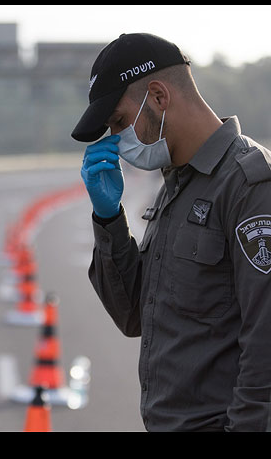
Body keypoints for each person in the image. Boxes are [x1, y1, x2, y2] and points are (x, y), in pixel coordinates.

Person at [71, 32, 271, 431]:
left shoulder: (250, 185)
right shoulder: (177, 185)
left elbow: (267, 340)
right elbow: (133, 315)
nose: (116, 139)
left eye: (120, 122)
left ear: (159, 97)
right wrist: (109, 219)